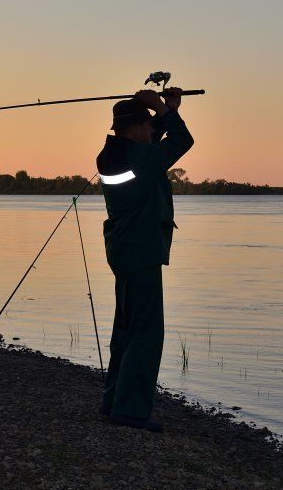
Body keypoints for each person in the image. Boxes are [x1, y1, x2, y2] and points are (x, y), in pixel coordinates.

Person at [96, 87, 193, 432]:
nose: (153, 131)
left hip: (124, 250)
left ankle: (114, 402)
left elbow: (151, 141)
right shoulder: (140, 159)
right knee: (146, 332)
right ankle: (132, 410)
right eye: (148, 125)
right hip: (141, 251)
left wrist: (165, 109)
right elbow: (183, 140)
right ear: (135, 128)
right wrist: (163, 110)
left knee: (126, 329)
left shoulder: (112, 155)